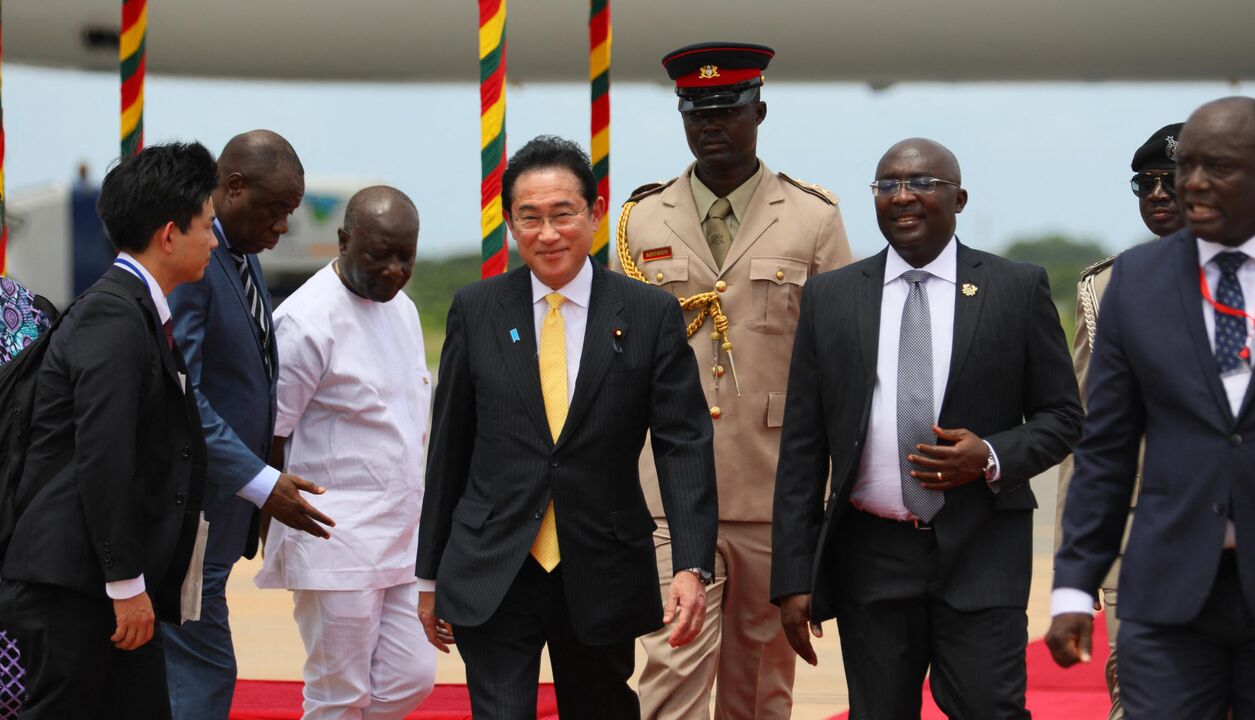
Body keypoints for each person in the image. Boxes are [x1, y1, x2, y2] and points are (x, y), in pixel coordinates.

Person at [771, 138, 1082, 718]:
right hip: (871, 555)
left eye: (922, 183)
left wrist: (990, 455)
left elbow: (1063, 417)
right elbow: (801, 449)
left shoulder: (1017, 288)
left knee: (991, 709)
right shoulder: (831, 297)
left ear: (959, 199)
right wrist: (794, 577)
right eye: (887, 184)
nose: (902, 196)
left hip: (983, 548)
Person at [416, 135, 718, 720]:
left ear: (595, 213)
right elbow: (450, 448)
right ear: (509, 224)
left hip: (602, 564)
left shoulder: (648, 312)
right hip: (494, 563)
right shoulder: (476, 309)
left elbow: (683, 444)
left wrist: (690, 564)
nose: (548, 234)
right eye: (529, 218)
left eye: (563, 214)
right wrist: (428, 576)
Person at [613, 41, 852, 720]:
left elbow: (842, 360)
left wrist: (831, 493)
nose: (711, 124)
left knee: (760, 680)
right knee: (670, 665)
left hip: (773, 489)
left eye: (727, 110)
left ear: (760, 112)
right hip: (665, 492)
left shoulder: (812, 217)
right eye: (697, 112)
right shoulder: (641, 219)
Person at [1049, 97, 1255, 719]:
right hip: (1160, 563)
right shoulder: (1128, 283)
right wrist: (1075, 576)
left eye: (1214, 167)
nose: (1187, 185)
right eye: (1182, 171)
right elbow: (1100, 442)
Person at [0, 141, 220, 718]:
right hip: (73, 585)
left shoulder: (134, 311)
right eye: (207, 226)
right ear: (169, 235)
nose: (215, 242)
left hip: (97, 579)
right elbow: (105, 455)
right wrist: (126, 585)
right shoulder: (112, 316)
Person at [164, 130, 336, 720]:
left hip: (224, 512)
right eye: (275, 210)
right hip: (193, 510)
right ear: (233, 187)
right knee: (203, 671)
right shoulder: (197, 262)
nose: (283, 227)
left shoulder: (242, 257)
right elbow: (183, 395)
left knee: (197, 668)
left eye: (291, 212)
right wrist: (261, 482)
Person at [256, 186, 435, 718]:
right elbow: (270, 435)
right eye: (380, 255)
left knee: (412, 678)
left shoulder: (403, 308)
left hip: (402, 532)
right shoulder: (305, 321)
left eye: (406, 257)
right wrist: (271, 528)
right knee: (339, 694)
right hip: (332, 536)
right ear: (343, 240)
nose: (395, 271)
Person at [1052, 121, 1183, 720]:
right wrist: (1073, 564)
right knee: (1138, 694)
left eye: (1170, 180)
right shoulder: (1104, 288)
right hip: (1137, 534)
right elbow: (1086, 433)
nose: (1157, 194)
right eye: (1144, 183)